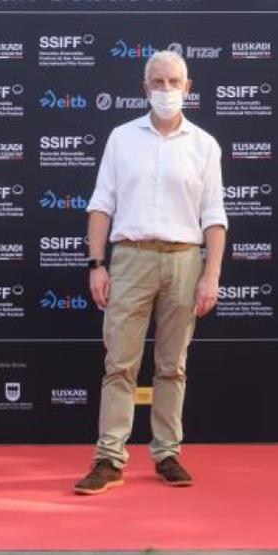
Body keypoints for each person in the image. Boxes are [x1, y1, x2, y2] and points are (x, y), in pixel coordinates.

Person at [74, 49, 228, 495]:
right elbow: (101, 205)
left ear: (188, 88)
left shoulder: (205, 144)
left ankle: (167, 453)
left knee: (172, 365)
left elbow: (214, 215)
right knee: (119, 363)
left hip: (185, 259)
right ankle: (109, 457)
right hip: (130, 258)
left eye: (173, 82)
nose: (166, 90)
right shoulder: (121, 138)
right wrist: (97, 264)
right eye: (157, 83)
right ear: (145, 89)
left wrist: (211, 274)